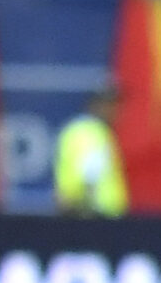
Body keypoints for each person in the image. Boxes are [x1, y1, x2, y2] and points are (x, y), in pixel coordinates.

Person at [53, 87, 127, 217]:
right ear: (95, 106)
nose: (115, 111)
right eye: (109, 106)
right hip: (97, 213)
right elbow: (90, 171)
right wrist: (89, 210)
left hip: (82, 211)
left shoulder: (75, 129)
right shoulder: (93, 132)